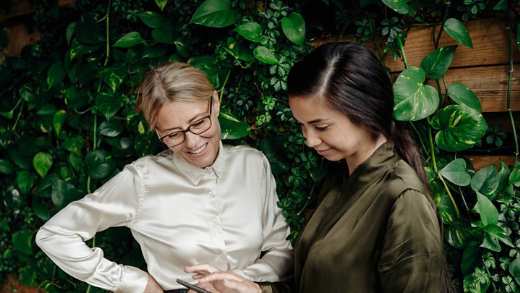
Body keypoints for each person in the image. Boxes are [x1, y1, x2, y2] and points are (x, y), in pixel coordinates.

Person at [192, 42, 450, 292]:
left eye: (321, 126)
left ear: (365, 111)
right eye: (302, 126)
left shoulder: (404, 199)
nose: (310, 140)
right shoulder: (339, 180)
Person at [35, 62, 292, 292]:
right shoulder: (141, 180)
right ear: (156, 131)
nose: (192, 143)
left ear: (215, 102)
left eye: (199, 122)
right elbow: (55, 235)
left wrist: (238, 281)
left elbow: (282, 251)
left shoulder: (253, 164)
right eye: (173, 134)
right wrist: (137, 283)